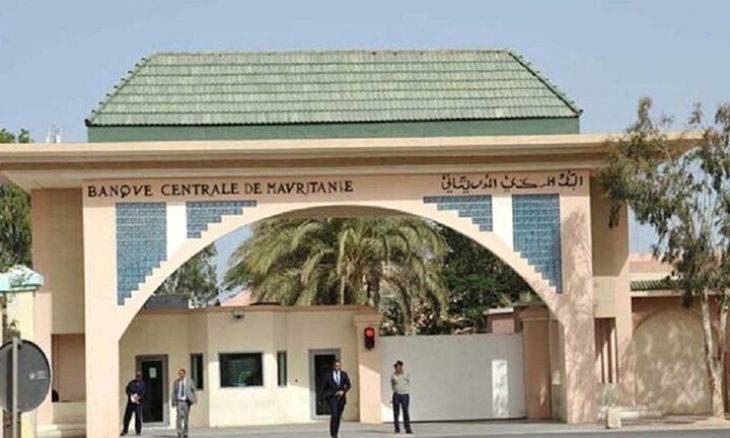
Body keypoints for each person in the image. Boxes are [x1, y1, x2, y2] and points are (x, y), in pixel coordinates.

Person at [320, 360, 351, 438]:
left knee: (338, 416)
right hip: (332, 397)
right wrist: (329, 395)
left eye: (339, 366)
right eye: (336, 366)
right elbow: (323, 387)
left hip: (341, 398)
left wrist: (343, 391)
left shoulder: (344, 374)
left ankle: (336, 432)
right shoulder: (328, 375)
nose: (338, 367)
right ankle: (333, 434)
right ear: (333, 366)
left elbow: (348, 385)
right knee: (334, 414)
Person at [171, 368, 197, 438]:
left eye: (181, 374)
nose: (180, 375)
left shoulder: (189, 381)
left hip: (186, 402)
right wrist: (173, 402)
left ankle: (185, 432)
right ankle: (179, 432)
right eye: (179, 374)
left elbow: (193, 390)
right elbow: (174, 392)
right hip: (179, 401)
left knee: (186, 418)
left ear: (184, 374)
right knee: (179, 417)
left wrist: (194, 399)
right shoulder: (176, 382)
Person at [121, 371, 146, 436]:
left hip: (138, 403)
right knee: (127, 417)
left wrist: (139, 397)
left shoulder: (143, 384)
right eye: (137, 376)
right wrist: (130, 395)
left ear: (141, 377)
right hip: (131, 403)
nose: (138, 377)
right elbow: (127, 390)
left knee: (138, 417)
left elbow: (144, 392)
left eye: (139, 376)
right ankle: (125, 430)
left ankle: (138, 432)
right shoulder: (131, 383)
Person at [391, 360, 412, 434]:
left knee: (405, 411)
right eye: (395, 367)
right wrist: (395, 390)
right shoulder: (393, 375)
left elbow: (408, 382)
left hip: (405, 395)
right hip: (396, 395)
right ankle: (397, 428)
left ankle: (407, 428)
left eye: (397, 367)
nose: (396, 369)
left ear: (401, 367)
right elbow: (392, 384)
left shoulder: (406, 374)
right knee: (396, 413)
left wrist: (404, 389)